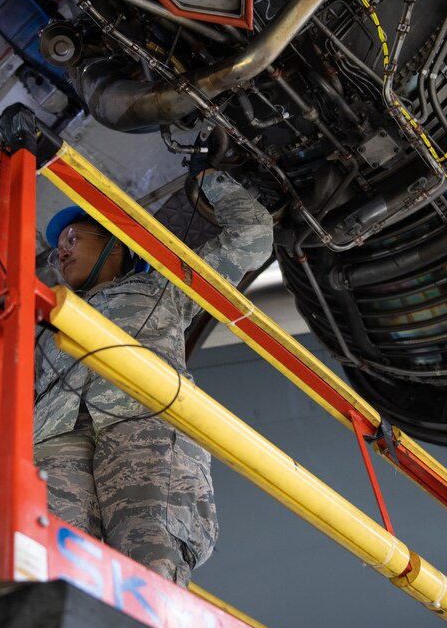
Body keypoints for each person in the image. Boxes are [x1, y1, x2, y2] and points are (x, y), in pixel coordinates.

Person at [34, 168, 273, 586]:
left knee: (149, 564)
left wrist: (211, 177)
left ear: (112, 242)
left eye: (72, 239)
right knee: (63, 577)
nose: (61, 255)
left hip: (142, 428)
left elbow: (252, 238)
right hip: (56, 442)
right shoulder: (49, 323)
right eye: (57, 251)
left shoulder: (162, 288)